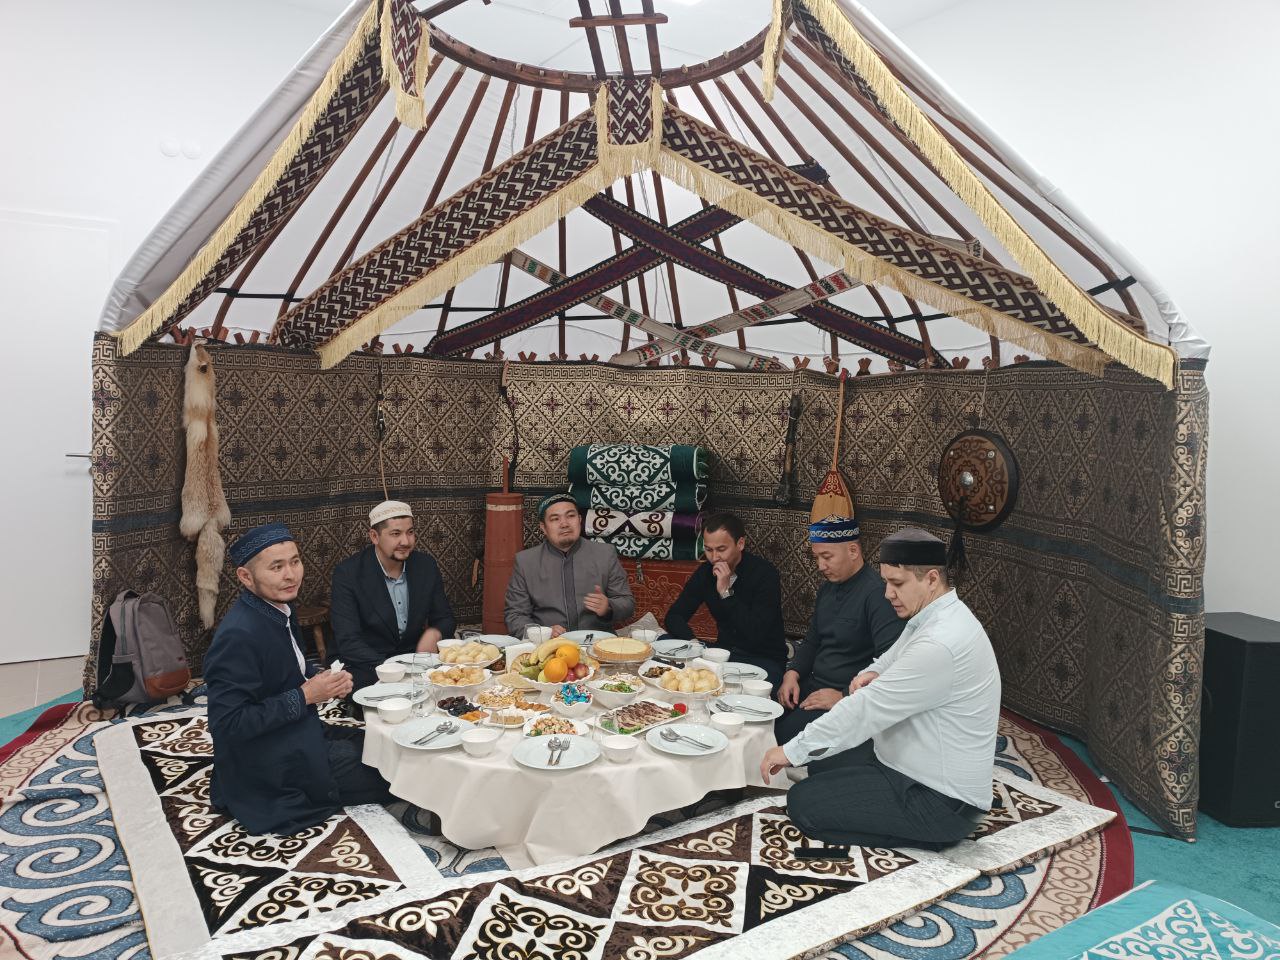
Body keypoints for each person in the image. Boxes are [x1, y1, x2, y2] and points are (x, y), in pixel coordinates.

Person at [759, 528, 1002, 852]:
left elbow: (864, 711)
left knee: (803, 803)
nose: (888, 593)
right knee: (821, 765)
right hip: (910, 764)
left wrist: (790, 751)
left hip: (940, 799)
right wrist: (870, 672)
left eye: (897, 583)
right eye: (886, 582)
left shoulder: (939, 643)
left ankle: (934, 838)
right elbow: (890, 657)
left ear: (931, 579)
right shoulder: (937, 615)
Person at [204, 523, 391, 835]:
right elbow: (228, 725)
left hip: (298, 732)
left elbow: (283, 674)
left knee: (386, 748)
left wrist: (324, 682)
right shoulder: (238, 635)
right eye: (276, 567)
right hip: (268, 762)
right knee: (395, 771)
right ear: (246, 577)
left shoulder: (279, 610)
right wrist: (305, 695)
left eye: (295, 561)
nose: (291, 575)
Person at [774, 516, 903, 746]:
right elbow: (813, 640)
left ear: (853, 551)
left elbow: (890, 663)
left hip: (843, 700)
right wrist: (792, 673)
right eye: (817, 558)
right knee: (761, 718)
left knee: (781, 739)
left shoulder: (878, 595)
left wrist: (843, 696)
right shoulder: (828, 589)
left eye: (827, 557)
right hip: (811, 685)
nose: (820, 566)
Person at [331, 501, 456, 691]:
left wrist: (435, 632)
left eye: (410, 532)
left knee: (455, 683)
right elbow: (349, 641)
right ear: (374, 536)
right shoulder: (348, 573)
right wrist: (392, 670)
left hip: (412, 659)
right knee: (373, 694)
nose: (405, 541)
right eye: (396, 534)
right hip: (367, 663)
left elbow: (445, 618)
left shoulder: (426, 566)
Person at [663, 512, 787, 686]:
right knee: (664, 642)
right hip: (723, 653)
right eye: (708, 549)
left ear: (740, 544)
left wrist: (726, 593)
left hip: (762, 658)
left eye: (721, 549)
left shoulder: (765, 574)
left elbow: (755, 633)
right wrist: (693, 643)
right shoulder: (706, 572)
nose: (714, 557)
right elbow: (674, 616)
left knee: (760, 684)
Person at [505, 493, 635, 638]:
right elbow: (515, 615)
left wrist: (608, 607)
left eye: (570, 516)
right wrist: (542, 633)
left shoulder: (604, 554)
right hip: (549, 645)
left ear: (579, 520)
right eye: (555, 519)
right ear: (543, 527)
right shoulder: (526, 562)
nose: (564, 524)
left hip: (598, 643)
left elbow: (627, 603)